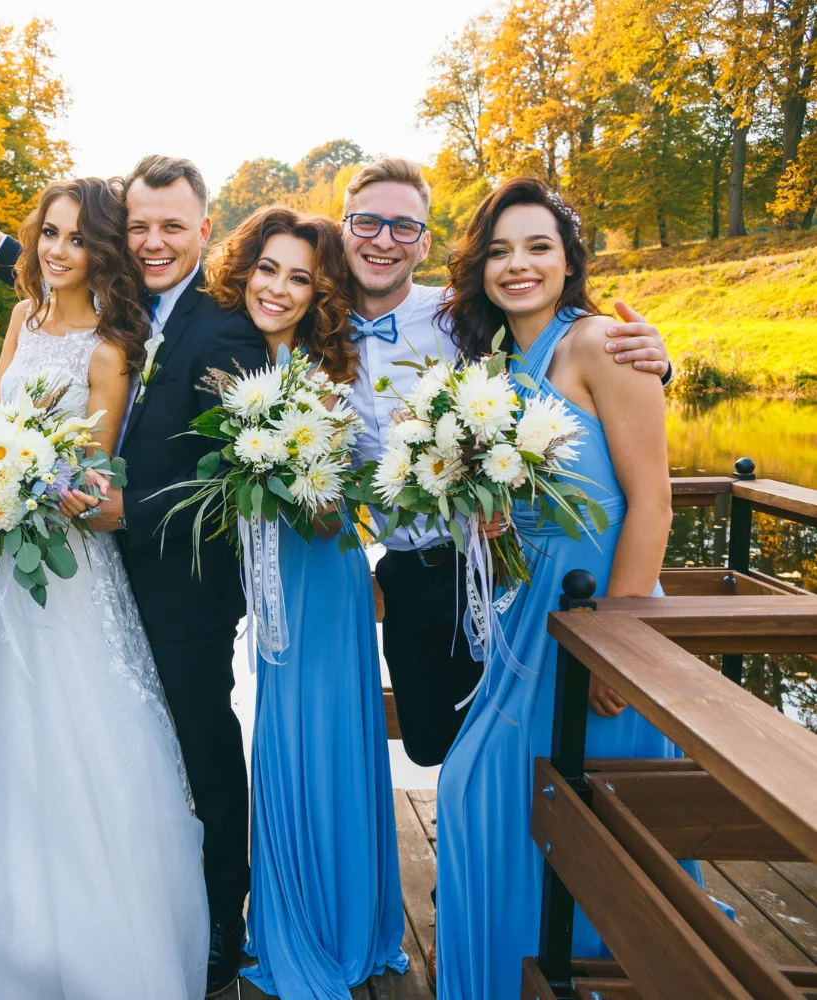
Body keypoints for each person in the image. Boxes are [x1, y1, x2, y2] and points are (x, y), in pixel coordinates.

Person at [0, 156, 269, 994]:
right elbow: (51, 289)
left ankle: (213, 929)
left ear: (205, 228)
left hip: (171, 580)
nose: (154, 241)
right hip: (37, 566)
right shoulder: (75, 307)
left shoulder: (229, 326)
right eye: (139, 227)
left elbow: (221, 465)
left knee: (191, 750)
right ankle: (32, 913)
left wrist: (113, 509)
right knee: (42, 744)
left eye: (173, 226)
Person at [432, 178, 704, 998]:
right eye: (500, 249)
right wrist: (494, 519)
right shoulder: (503, 362)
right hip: (528, 607)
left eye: (538, 246)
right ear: (479, 266)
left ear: (569, 259)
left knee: (588, 821)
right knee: (483, 791)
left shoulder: (599, 346)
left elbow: (651, 503)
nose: (518, 264)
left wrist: (619, 644)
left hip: (595, 612)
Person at [336, 158, 674, 769]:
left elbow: (643, 485)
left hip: (500, 575)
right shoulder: (315, 319)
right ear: (342, 228)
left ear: (424, 242)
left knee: (512, 760)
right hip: (423, 568)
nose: (384, 240)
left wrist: (656, 362)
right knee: (434, 742)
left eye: (403, 227)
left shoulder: (458, 319)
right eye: (367, 222)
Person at [203, 207, 410, 997]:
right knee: (281, 740)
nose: (280, 289)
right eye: (269, 270)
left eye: (301, 277)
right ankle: (289, 912)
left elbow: (339, 510)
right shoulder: (231, 360)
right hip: (268, 583)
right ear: (245, 270)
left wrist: (297, 461)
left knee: (321, 738)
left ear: (321, 292)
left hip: (324, 577)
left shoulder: (334, 377)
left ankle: (333, 924)